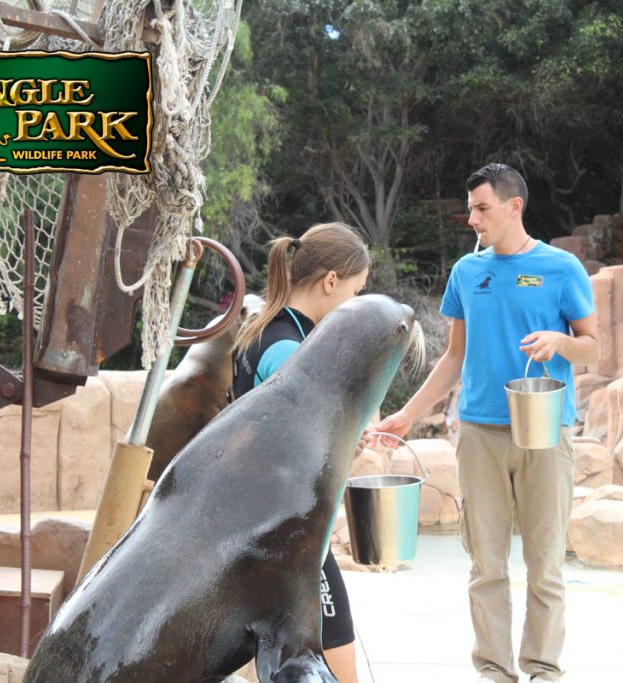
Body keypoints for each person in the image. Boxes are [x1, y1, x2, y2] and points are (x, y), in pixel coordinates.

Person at [375, 163, 599, 683]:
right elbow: (454, 357)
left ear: (514, 206)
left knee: (545, 566)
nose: (473, 218)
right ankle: (496, 672)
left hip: (546, 432)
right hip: (479, 434)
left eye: (482, 208)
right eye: (471, 208)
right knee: (486, 566)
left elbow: (593, 347)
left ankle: (543, 670)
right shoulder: (466, 274)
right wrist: (409, 415)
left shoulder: (562, 268)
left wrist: (559, 343)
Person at [231, 221, 370, 683]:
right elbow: (305, 444)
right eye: (354, 292)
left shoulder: (261, 330)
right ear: (331, 282)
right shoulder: (289, 349)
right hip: (290, 537)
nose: (351, 304)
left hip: (258, 524)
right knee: (338, 655)